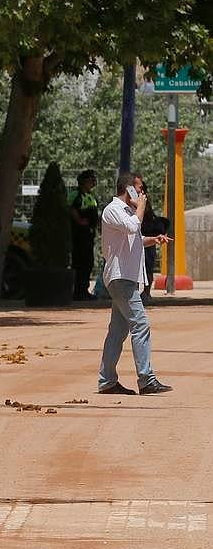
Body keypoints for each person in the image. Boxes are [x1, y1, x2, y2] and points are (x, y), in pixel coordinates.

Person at [97, 171, 171, 396]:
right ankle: (146, 380)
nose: (142, 193)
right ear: (128, 189)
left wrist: (153, 240)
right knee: (141, 325)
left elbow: (134, 238)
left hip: (126, 277)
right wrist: (140, 206)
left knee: (117, 331)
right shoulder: (113, 210)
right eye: (138, 188)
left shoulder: (127, 212)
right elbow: (131, 227)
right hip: (120, 278)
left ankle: (107, 381)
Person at [135, 173, 168, 302]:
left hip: (148, 239)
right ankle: (137, 293)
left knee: (148, 267)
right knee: (136, 268)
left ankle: (146, 292)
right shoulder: (135, 203)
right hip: (139, 238)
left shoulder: (144, 203)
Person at [69, 169, 100, 300]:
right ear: (84, 182)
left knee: (88, 262)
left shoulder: (91, 196)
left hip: (89, 234)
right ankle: (77, 291)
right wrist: (79, 221)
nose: (93, 183)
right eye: (91, 180)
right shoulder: (76, 194)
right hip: (79, 235)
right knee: (79, 262)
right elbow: (71, 208)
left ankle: (84, 290)